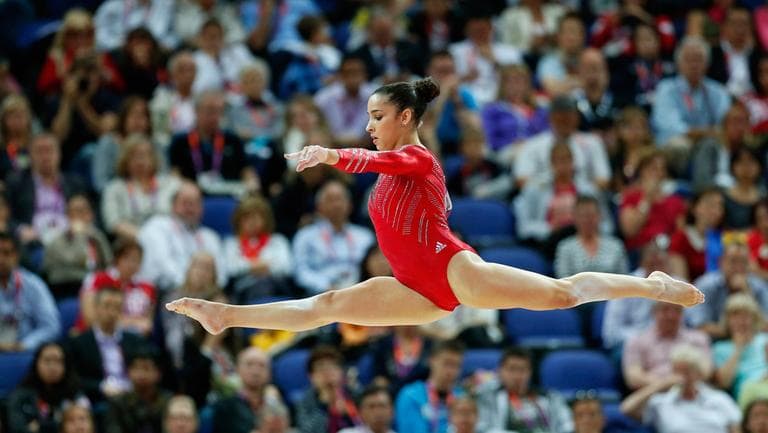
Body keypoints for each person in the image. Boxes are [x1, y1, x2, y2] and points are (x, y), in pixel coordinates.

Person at [167, 77, 703, 339]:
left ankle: (651, 284)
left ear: (404, 116)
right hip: (414, 289)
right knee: (326, 304)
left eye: (377, 116)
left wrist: (330, 153)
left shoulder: (418, 159)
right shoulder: (399, 168)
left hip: (453, 269)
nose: (369, 126)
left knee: (562, 295)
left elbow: (384, 165)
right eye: (368, 118)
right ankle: (225, 316)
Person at [620, 345, 741, 433]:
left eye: (687, 371)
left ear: (698, 374)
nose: (681, 377)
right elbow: (627, 408)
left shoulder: (720, 399)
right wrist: (659, 385)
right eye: (677, 371)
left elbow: (735, 429)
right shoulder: (661, 402)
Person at [65, 287, 153, 404]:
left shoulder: (134, 341)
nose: (111, 312)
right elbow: (74, 379)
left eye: (117, 307)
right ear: (96, 308)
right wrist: (101, 386)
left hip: (132, 398)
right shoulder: (80, 342)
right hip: (97, 399)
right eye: (107, 306)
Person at [138, 181, 226, 291]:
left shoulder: (210, 236)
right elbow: (164, 266)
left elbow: (221, 274)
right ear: (173, 205)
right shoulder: (157, 226)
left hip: (205, 294)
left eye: (195, 204)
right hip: (166, 291)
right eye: (185, 203)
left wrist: (206, 288)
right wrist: (191, 286)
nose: (190, 208)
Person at [292, 180, 374, 295]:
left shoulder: (365, 236)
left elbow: (374, 267)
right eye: (330, 200)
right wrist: (325, 286)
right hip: (321, 295)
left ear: (350, 205)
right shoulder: (305, 236)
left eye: (340, 199)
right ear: (319, 206)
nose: (336, 204)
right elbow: (300, 271)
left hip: (360, 293)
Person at [476, 347, 573, 433]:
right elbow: (483, 428)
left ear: (530, 372)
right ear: (500, 371)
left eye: (522, 369)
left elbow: (567, 425)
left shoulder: (550, 397)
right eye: (512, 369)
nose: (517, 376)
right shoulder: (488, 397)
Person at [100, 134, 179, 239]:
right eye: (134, 155)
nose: (140, 160)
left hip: (169, 238)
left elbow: (182, 216)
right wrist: (145, 237)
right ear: (125, 159)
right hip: (131, 243)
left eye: (145, 155)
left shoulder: (171, 184)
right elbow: (114, 223)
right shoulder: (114, 188)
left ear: (154, 158)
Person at [622, 301, 712, 391]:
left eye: (677, 310)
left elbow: (706, 372)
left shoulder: (699, 339)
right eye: (665, 309)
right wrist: (666, 384)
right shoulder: (637, 341)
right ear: (654, 312)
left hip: (692, 394)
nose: (671, 315)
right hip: (653, 395)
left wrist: (681, 383)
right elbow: (633, 378)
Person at [687, 241, 768, 338]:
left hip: (752, 343)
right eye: (733, 261)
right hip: (713, 344)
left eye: (743, 262)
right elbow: (698, 326)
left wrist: (747, 292)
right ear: (721, 262)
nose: (738, 267)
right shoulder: (705, 286)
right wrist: (736, 331)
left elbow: (765, 326)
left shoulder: (758, 287)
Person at [76, 237, 156, 336]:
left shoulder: (147, 287)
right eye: (128, 258)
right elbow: (90, 318)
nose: (132, 264)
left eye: (137, 260)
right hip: (94, 336)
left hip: (132, 341)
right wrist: (129, 323)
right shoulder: (97, 279)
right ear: (117, 258)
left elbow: (147, 324)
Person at [5, 342, 87, 433]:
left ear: (66, 365)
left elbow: (87, 426)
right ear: (36, 363)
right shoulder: (21, 396)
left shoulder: (75, 392)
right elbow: (17, 428)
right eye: (47, 360)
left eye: (58, 361)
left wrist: (39, 426)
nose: (52, 367)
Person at [223, 196, 293, 302]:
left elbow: (287, 267)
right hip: (242, 289)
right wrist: (252, 267)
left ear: (266, 220)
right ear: (238, 220)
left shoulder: (278, 241)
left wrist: (264, 267)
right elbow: (229, 269)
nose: (252, 222)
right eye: (247, 218)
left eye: (257, 217)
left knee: (265, 283)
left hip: (275, 285)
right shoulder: (232, 243)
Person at [42, 194, 112, 299]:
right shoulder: (57, 238)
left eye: (85, 210)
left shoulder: (96, 235)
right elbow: (78, 260)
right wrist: (79, 236)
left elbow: (108, 262)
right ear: (68, 215)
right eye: (77, 210)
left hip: (96, 288)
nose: (82, 214)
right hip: (68, 288)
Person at [0, 231, 59, 352]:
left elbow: (51, 327)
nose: (1, 259)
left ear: (16, 256)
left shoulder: (34, 285)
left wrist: (24, 345)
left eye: (6, 253)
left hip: (25, 353)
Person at [395, 339, 465, 433]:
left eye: (456, 365)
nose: (450, 371)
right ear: (431, 360)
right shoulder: (411, 396)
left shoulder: (462, 398)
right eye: (446, 363)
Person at [211, 347, 285, 433]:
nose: (256, 371)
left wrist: (273, 403)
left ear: (270, 373)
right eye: (249, 364)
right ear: (237, 369)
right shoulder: (225, 407)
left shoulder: (280, 402)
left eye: (262, 365)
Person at [105, 346, 173, 433]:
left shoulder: (169, 401)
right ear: (128, 372)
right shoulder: (118, 403)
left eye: (146, 368)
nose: (141, 374)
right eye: (136, 368)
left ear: (158, 373)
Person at [713, 293, 768, 397]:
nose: (741, 321)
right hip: (749, 395)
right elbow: (724, 383)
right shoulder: (720, 348)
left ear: (754, 319)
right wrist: (738, 348)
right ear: (727, 321)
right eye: (735, 316)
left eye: (746, 315)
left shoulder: (765, 340)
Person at [296, 345, 361, 433]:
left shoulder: (355, 394)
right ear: (311, 376)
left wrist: (348, 412)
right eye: (321, 368)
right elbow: (307, 430)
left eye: (332, 367)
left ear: (341, 371)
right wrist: (325, 405)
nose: (327, 373)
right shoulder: (305, 402)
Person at [668, 187, 725, 282]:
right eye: (710, 204)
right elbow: (680, 280)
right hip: (690, 292)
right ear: (694, 208)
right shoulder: (681, 238)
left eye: (719, 206)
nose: (715, 210)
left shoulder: (724, 238)